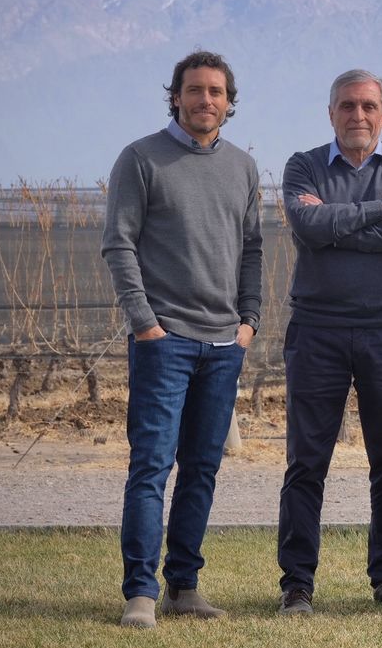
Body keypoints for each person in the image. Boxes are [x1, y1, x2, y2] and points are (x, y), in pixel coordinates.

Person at [101, 50, 263, 628]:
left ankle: (183, 588)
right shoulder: (141, 159)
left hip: (224, 346)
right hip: (162, 342)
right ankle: (140, 593)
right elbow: (119, 244)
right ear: (175, 95)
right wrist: (145, 323)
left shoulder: (243, 168)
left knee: (201, 469)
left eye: (216, 92)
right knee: (150, 466)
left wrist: (249, 322)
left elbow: (252, 251)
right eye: (195, 90)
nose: (205, 101)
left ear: (229, 101)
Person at [276, 69, 382, 615]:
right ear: (331, 113)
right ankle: (297, 583)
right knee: (306, 461)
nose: (358, 116)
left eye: (368, 106)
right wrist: (375, 212)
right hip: (316, 329)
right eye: (347, 106)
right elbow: (305, 226)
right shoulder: (304, 165)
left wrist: (335, 224)